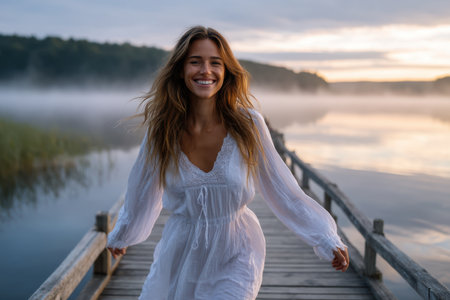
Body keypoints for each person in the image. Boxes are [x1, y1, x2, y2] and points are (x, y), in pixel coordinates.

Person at [107, 25, 349, 300]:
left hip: (237, 250)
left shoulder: (249, 125)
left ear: (227, 71)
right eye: (195, 62)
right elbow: (143, 190)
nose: (205, 71)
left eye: (215, 63)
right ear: (180, 69)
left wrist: (326, 237)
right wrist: (123, 233)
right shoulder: (162, 131)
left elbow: (284, 192)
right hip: (181, 252)